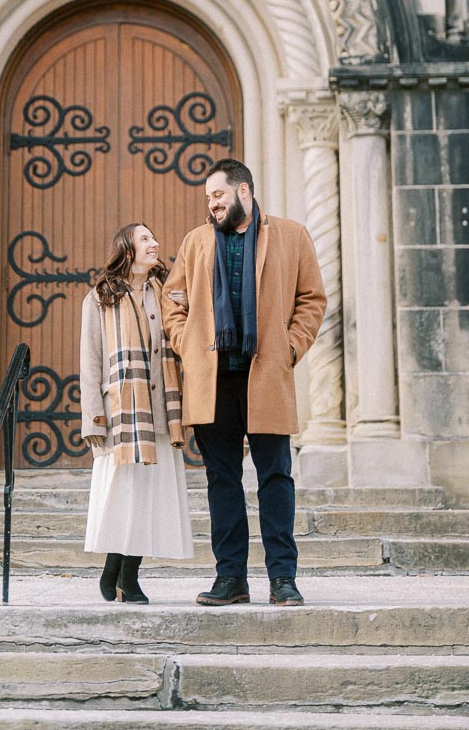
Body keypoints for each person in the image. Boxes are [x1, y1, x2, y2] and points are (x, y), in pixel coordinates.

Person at [161, 158, 326, 608]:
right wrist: (185, 342)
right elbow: (172, 300)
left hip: (267, 375)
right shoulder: (196, 242)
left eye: (217, 195)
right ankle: (230, 577)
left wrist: (290, 348)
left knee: (275, 478)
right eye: (208, 198)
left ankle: (283, 580)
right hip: (212, 380)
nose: (211, 204)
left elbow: (312, 299)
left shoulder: (292, 236)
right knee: (223, 481)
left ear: (244, 193)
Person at [79, 221, 194, 603]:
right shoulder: (100, 296)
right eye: (145, 238)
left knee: (148, 497)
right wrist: (93, 414)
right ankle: (116, 571)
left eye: (155, 238)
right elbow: (90, 359)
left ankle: (127, 575)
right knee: (123, 494)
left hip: (160, 408)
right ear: (126, 248)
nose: (155, 243)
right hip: (122, 411)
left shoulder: (165, 293)